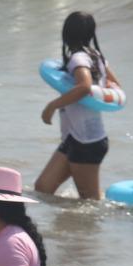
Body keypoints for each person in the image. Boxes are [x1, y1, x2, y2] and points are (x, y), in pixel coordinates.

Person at [35, 11, 122, 202]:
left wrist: (52, 106)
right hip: (75, 138)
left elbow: (84, 87)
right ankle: (66, 221)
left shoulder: (79, 59)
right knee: (43, 188)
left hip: (87, 142)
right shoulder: (97, 57)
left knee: (89, 203)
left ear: (67, 33)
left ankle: (107, 219)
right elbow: (115, 84)